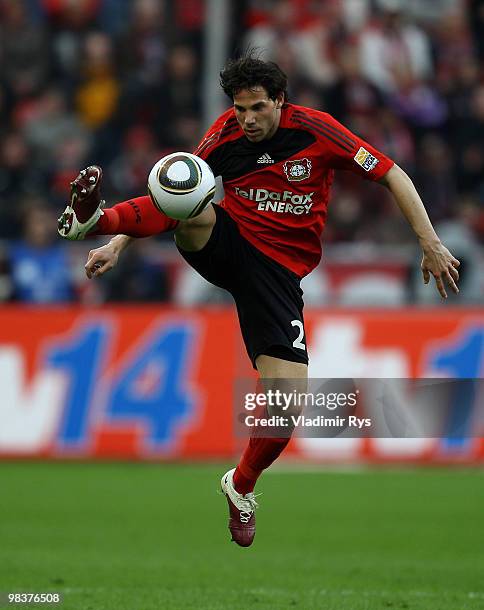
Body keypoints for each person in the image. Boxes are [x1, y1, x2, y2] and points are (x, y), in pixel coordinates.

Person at [57, 55, 460, 547]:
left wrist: (429, 241)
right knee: (192, 197)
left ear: (280, 102)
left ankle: (241, 484)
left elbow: (393, 174)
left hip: (279, 277)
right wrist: (115, 243)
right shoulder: (225, 134)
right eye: (239, 108)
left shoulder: (319, 131)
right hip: (230, 243)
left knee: (285, 411)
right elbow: (174, 197)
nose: (246, 118)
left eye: (257, 108)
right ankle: (95, 220)